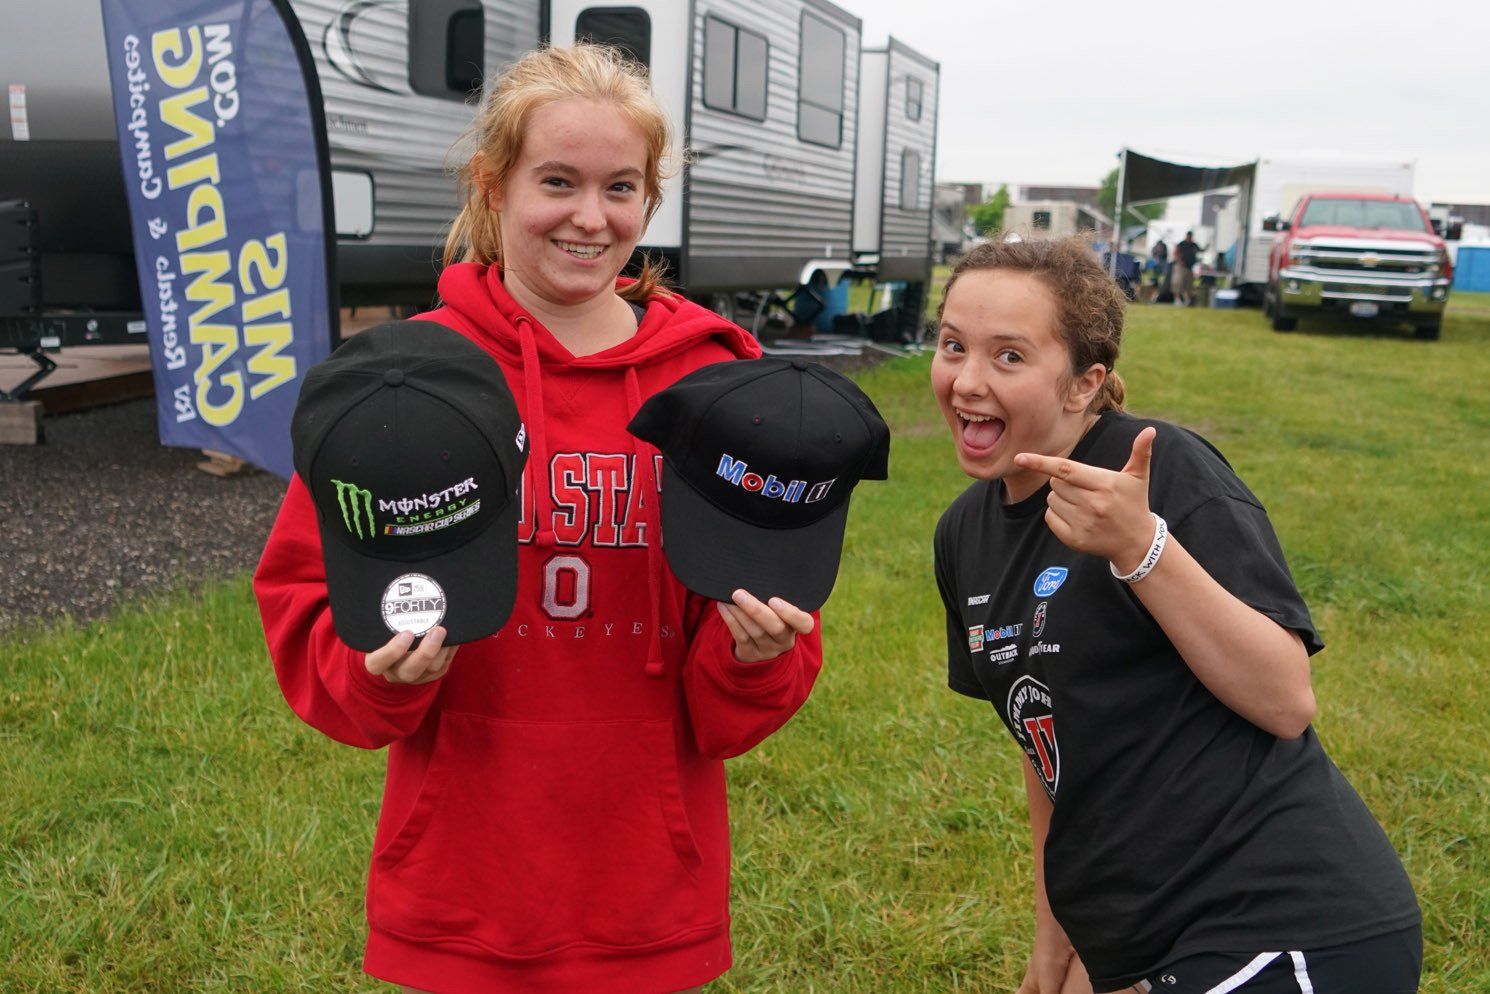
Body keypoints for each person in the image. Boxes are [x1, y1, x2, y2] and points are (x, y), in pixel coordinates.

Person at [254, 44, 823, 994]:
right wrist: (377, 671)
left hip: (646, 885)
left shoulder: (716, 386)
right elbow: (309, 606)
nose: (590, 218)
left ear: (651, 199)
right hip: (463, 882)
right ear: (493, 183)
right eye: (557, 181)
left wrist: (755, 654)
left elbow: (746, 682)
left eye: (622, 187)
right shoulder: (402, 382)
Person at [929, 237, 1421, 994]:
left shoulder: (1164, 470)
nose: (966, 380)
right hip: (1145, 927)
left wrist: (1141, 547)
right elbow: (1044, 744)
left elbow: (1286, 699)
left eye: (1009, 357)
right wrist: (1054, 938)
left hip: (1290, 922)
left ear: (1083, 385)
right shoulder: (965, 532)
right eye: (953, 345)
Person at [1170, 230, 1203, 306]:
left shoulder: (1193, 244)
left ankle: (1187, 300)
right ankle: (1177, 300)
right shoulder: (1181, 244)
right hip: (1181, 267)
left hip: (1189, 267)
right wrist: (1180, 261)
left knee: (1188, 285)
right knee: (1178, 284)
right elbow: (1175, 253)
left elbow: (1200, 250)